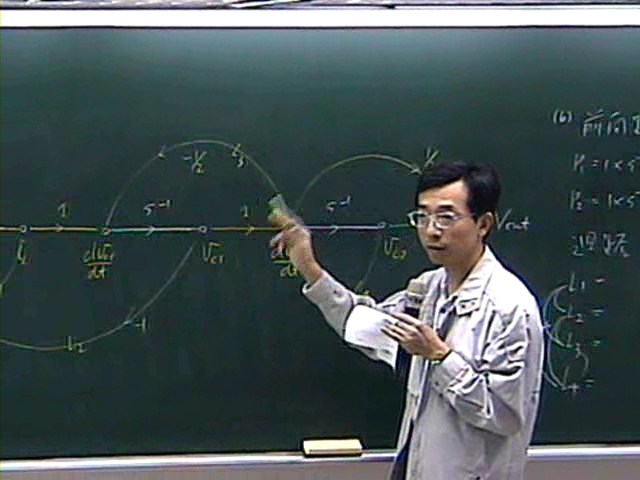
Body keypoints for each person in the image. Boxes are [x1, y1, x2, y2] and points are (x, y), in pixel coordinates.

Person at [269, 161, 544, 480]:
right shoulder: (429, 289)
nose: (431, 230)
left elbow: (506, 415)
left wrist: (440, 357)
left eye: (446, 217)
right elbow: (362, 326)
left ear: (483, 224)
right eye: (422, 216)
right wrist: (310, 268)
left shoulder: (509, 308)